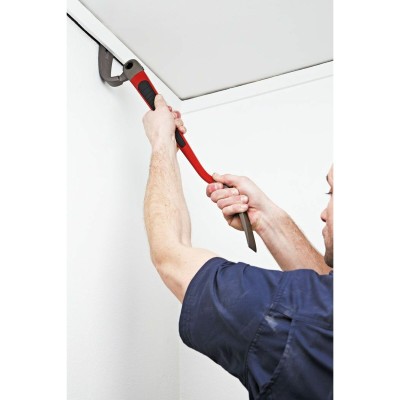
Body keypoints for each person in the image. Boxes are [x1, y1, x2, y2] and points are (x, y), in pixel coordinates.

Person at [142, 94, 333, 399]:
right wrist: (266, 218)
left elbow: (171, 257)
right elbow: (324, 297)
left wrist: (161, 142)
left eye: (332, 193)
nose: (324, 212)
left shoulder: (289, 318)